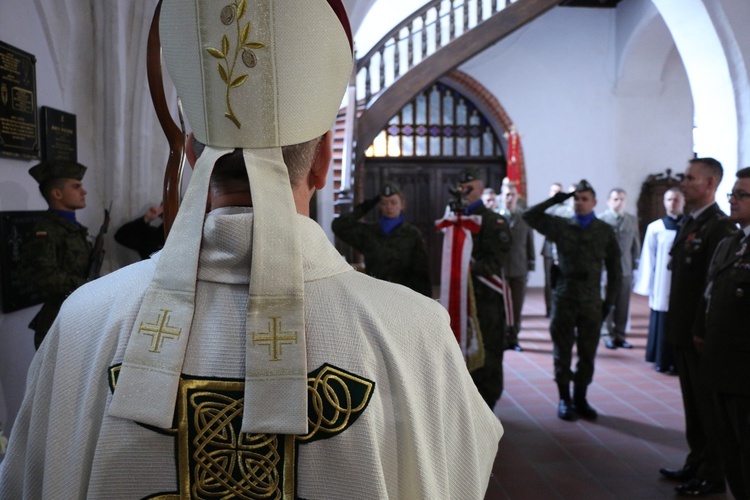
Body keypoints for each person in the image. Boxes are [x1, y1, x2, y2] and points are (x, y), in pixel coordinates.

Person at [0, 2, 503, 498]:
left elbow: (26, 480)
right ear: (324, 160)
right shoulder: (413, 330)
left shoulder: (83, 320)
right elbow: (457, 473)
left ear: (194, 157)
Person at [659, 157, 735, 497]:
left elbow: (711, 288)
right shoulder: (692, 222)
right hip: (683, 330)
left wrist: (700, 329)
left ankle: (712, 471)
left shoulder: (718, 226)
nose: (683, 182)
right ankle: (696, 461)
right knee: (692, 405)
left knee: (708, 408)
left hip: (698, 334)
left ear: (709, 184)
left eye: (690, 178)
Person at [524, 180, 621, 421]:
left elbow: (615, 269)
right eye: (576, 199)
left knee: (588, 352)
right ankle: (564, 399)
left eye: (584, 199)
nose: (579, 203)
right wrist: (558, 199)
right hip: (565, 297)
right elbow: (529, 215)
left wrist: (608, 302)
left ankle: (581, 397)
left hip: (591, 301)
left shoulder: (604, 231)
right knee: (562, 352)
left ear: (595, 203)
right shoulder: (561, 226)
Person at [698, 167, 750, 499]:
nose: (732, 200)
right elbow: (710, 296)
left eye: (741, 194)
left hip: (746, 371)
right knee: (731, 450)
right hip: (722, 366)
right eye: (732, 193)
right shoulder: (731, 243)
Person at [454, 167, 512, 408]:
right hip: (462, 296)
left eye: (470, 188)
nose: (464, 192)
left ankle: (489, 401)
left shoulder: (493, 221)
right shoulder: (455, 219)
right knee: (462, 348)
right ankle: (465, 400)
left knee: (488, 351)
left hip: (486, 298)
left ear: (480, 190)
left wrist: (468, 268)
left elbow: (496, 260)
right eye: (462, 188)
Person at [20, 159, 92, 349]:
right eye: (76, 187)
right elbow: (42, 275)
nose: (83, 192)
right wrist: (86, 285)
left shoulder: (73, 228)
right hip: (58, 322)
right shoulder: (45, 231)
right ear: (57, 193)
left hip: (78, 316)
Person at [332, 183, 432, 296]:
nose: (389, 207)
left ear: (402, 205)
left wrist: (426, 301)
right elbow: (339, 226)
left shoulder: (412, 234)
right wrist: (367, 205)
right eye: (384, 203)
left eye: (393, 202)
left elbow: (421, 272)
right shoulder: (369, 232)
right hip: (375, 294)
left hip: (404, 295)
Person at [633, 187, 684, 373]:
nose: (673, 203)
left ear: (683, 202)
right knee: (662, 318)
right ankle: (661, 359)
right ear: (664, 202)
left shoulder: (690, 226)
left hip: (682, 283)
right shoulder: (656, 227)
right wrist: (647, 283)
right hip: (663, 282)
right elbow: (648, 257)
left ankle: (678, 362)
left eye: (677, 199)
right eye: (670, 199)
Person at [599, 188, 640, 349]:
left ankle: (620, 335)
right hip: (606, 269)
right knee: (607, 303)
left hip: (625, 268)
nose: (619, 202)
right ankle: (606, 335)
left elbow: (635, 245)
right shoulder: (601, 220)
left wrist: (636, 267)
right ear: (609, 201)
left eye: (622, 199)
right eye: (615, 199)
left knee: (623, 305)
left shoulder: (631, 220)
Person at [498, 180, 535, 351]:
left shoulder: (525, 217)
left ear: (516, 197)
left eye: (512, 195)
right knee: (503, 305)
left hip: (519, 267)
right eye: (507, 195)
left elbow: (530, 242)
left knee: (517, 304)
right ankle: (503, 335)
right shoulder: (495, 217)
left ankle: (514, 338)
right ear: (502, 197)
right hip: (501, 269)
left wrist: (531, 263)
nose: (510, 198)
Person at [540, 182, 572, 317]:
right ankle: (549, 308)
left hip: (562, 248)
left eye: (559, 191)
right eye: (554, 191)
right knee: (548, 280)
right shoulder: (546, 209)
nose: (556, 194)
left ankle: (560, 306)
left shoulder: (567, 210)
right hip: (548, 249)